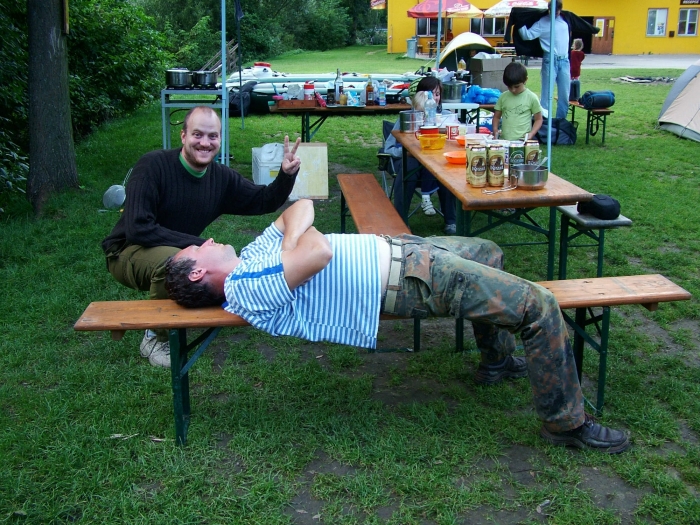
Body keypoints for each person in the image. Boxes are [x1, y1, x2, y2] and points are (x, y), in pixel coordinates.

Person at [164, 199, 631, 454]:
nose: (208, 239)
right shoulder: (246, 287)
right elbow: (319, 250)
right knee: (540, 305)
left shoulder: (253, 259)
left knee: (488, 251)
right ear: (199, 273)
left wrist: (291, 242)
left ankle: (496, 361)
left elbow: (300, 206)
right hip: (409, 279)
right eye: (197, 248)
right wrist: (298, 241)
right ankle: (566, 423)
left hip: (403, 251)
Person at [102, 105, 302, 368]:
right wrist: (200, 245)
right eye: (198, 134)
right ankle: (156, 337)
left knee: (203, 265)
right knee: (176, 262)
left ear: (220, 139)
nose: (205, 143)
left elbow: (264, 200)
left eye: (213, 136)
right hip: (127, 250)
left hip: (179, 250)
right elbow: (139, 228)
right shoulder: (152, 166)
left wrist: (286, 175)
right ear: (183, 136)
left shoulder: (220, 178)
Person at [385, 76, 458, 234]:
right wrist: (405, 152)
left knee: (446, 169)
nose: (434, 98)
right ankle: (400, 222)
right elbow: (388, 148)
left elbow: (455, 144)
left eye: (437, 94)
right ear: (419, 95)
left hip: (436, 162)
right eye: (429, 94)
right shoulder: (407, 117)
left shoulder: (447, 117)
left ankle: (451, 221)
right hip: (409, 162)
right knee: (410, 166)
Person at [518, 1, 571, 120]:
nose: (555, 14)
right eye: (552, 11)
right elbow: (527, 35)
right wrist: (519, 22)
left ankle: (560, 123)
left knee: (564, 95)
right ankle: (544, 123)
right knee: (547, 95)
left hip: (564, 60)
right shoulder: (543, 22)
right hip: (550, 60)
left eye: (557, 11)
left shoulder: (565, 19)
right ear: (549, 9)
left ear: (560, 10)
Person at [492, 62, 543, 142]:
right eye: (509, 87)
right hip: (504, 141)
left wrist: (532, 134)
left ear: (525, 80)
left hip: (522, 141)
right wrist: (495, 130)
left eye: (517, 86)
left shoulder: (532, 97)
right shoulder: (503, 97)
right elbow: (496, 117)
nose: (513, 90)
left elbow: (539, 119)